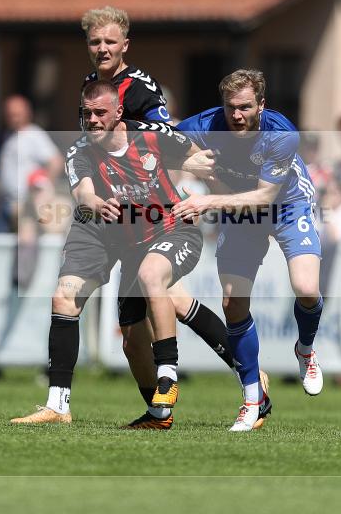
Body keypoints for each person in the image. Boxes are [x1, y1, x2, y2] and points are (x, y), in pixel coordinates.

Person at [66, 5, 242, 429]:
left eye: (110, 41)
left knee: (163, 292)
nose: (102, 48)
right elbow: (93, 150)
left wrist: (198, 169)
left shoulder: (139, 87)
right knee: (133, 338)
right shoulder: (92, 87)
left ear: (125, 45)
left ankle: (242, 378)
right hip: (124, 222)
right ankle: (160, 411)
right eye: (95, 42)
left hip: (156, 215)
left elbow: (170, 138)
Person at [11, 81, 204, 428]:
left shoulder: (149, 133)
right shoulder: (79, 150)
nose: (93, 120)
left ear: (119, 112)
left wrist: (206, 198)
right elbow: (84, 192)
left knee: (160, 314)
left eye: (101, 113)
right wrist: (97, 203)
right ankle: (59, 406)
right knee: (64, 300)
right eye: (87, 114)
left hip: (149, 233)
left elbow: (197, 156)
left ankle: (245, 377)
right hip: (96, 227)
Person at [173, 69, 323, 431]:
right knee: (232, 302)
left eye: (244, 107)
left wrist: (208, 198)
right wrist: (188, 161)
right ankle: (253, 400)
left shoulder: (282, 134)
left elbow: (263, 198)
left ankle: (305, 349)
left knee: (306, 289)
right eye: (230, 107)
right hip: (237, 209)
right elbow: (162, 140)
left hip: (287, 205)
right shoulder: (206, 123)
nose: (236, 115)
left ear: (261, 105)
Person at [0, 95, 63, 229]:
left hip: (25, 205)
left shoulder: (34, 134)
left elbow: (56, 161)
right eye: (10, 115)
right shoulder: (8, 135)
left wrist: (44, 187)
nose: (13, 118)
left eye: (17, 114)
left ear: (27, 113)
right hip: (7, 203)